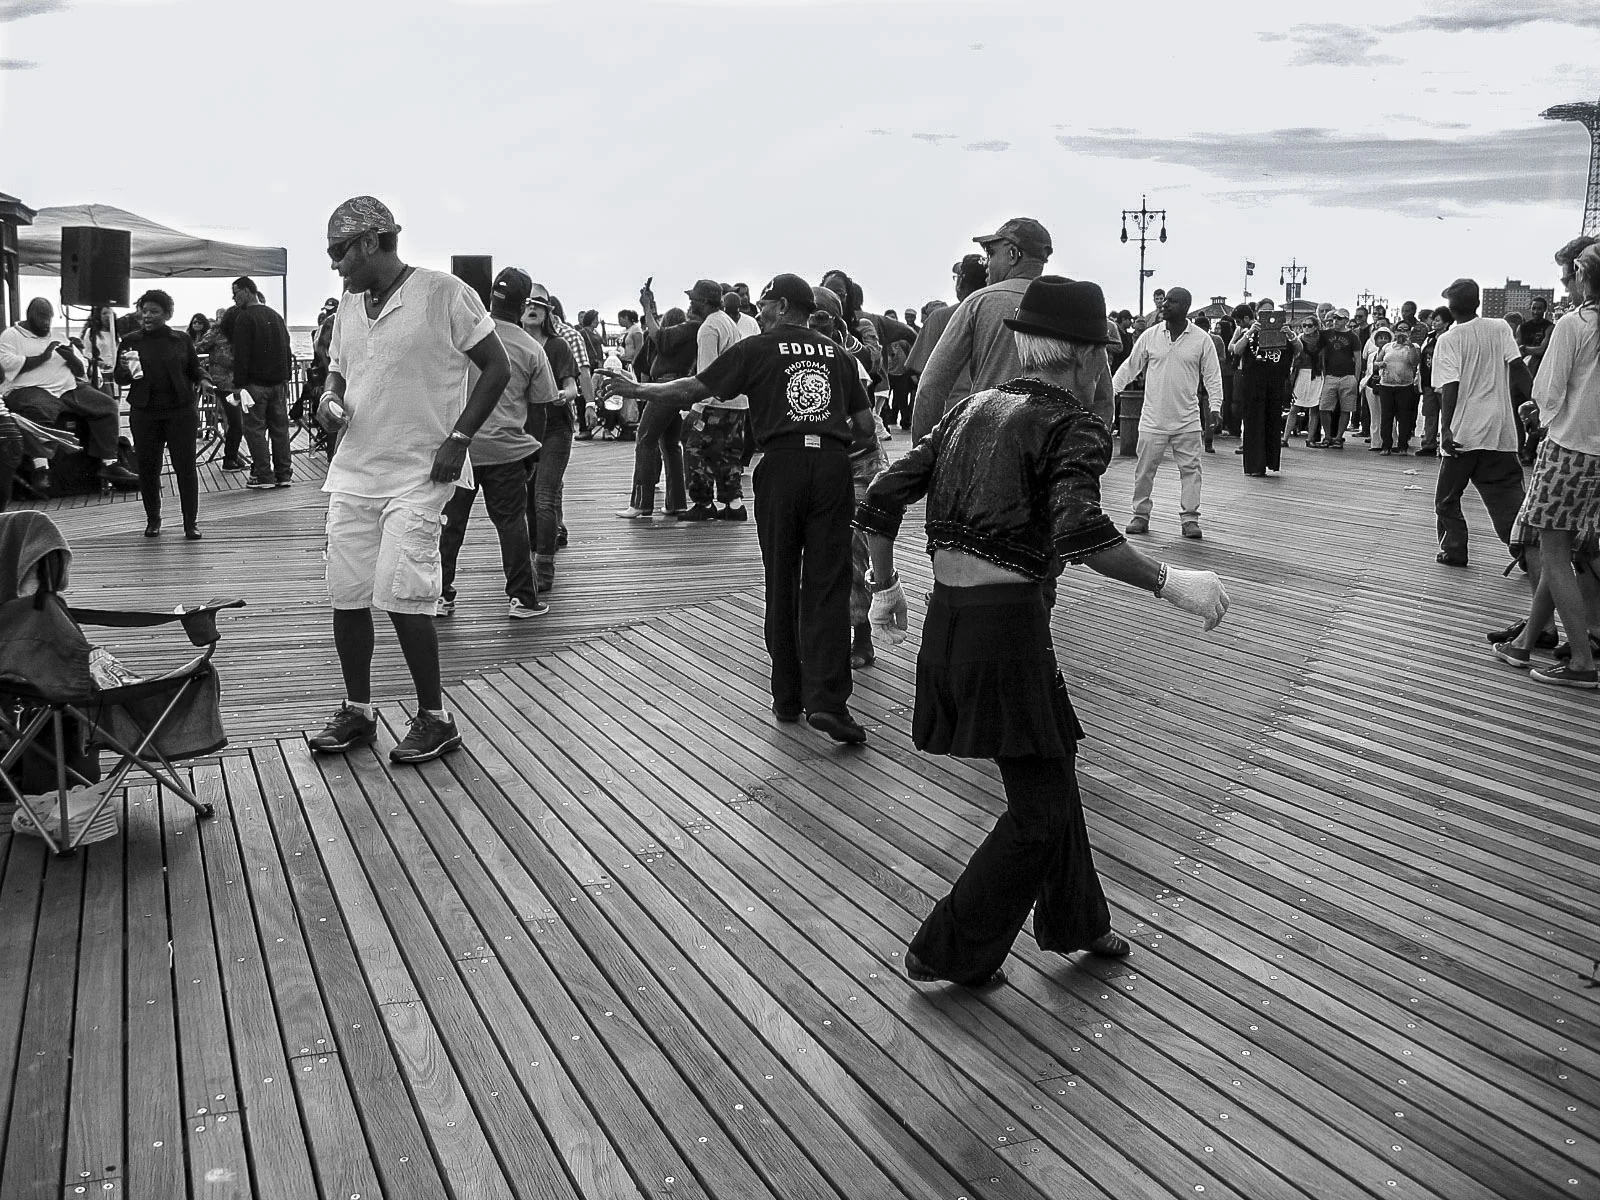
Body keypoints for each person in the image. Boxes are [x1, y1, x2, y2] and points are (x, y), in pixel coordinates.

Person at [854, 275, 1229, 989]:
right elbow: (1080, 531)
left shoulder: (969, 408)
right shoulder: (1074, 425)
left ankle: (1079, 922)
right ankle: (946, 950)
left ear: (1026, 342)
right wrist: (1176, 583)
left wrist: (887, 586)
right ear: (1088, 357)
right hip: (1009, 636)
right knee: (1038, 813)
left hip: (954, 625)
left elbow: (880, 496)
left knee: (1053, 770)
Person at [599, 274, 877, 743]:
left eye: (764, 304)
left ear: (783, 305)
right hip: (831, 469)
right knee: (828, 585)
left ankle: (788, 696)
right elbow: (867, 429)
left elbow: (693, 388)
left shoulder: (758, 350)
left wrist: (636, 391)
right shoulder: (840, 356)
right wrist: (826, 442)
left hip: (781, 467)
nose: (758, 311)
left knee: (782, 579)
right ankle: (829, 702)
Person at [308, 195, 511, 765]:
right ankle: (358, 710)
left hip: (421, 469)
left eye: (339, 251)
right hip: (354, 469)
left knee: (407, 593)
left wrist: (461, 438)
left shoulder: (445, 293)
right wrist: (328, 398)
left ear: (371, 242)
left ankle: (435, 718)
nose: (334, 264)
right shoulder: (350, 304)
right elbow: (337, 371)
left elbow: (497, 367)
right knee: (346, 594)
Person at [1494, 243, 1600, 689]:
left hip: (1568, 449)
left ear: (1583, 274)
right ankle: (1525, 644)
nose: (1564, 284)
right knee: (1563, 549)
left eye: (1569, 275)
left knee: (1552, 553)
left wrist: (1536, 415)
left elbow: (1548, 389)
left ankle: (1581, 661)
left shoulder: (1577, 324)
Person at [437, 267, 551, 621]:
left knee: (449, 525)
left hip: (461, 448)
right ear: (523, 305)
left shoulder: (466, 336)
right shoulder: (531, 348)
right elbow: (539, 410)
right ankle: (522, 599)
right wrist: (534, 451)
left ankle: (440, 595)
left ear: (489, 297)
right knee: (511, 524)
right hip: (506, 450)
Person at [912, 219, 1056, 439]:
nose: (987, 263)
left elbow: (930, 388)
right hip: (1050, 445)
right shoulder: (1067, 305)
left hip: (987, 440)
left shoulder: (979, 302)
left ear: (1013, 255)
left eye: (991, 253)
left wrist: (924, 456)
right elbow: (1102, 394)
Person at [1432, 277, 1534, 567]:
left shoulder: (1448, 340)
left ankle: (1454, 549)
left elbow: (1449, 387)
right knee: (1507, 500)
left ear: (1450, 307)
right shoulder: (1500, 327)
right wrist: (1538, 404)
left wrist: (1445, 429)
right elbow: (1518, 368)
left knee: (1447, 498)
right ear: (1477, 303)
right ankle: (1527, 555)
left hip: (1464, 434)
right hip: (1501, 431)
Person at [1112, 287, 1223, 538]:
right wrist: (1112, 392)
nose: (1164, 305)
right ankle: (1140, 514)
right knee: (1144, 470)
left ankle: (1190, 518)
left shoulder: (1201, 339)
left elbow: (1212, 377)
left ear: (1184, 307)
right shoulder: (1150, 336)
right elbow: (1130, 367)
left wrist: (1215, 406)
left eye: (1171, 302)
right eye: (1164, 302)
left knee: (1191, 471)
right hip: (1153, 419)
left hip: (1188, 420)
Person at [0, 297, 138, 493]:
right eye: (41, 319)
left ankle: (109, 463)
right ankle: (41, 468)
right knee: (36, 410)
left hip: (68, 388)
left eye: (49, 319)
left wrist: (72, 357)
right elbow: (6, 365)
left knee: (106, 406)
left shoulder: (58, 336)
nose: (46, 323)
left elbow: (81, 368)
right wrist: (44, 356)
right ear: (30, 316)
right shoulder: (11, 336)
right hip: (28, 389)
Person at [114, 289, 204, 539]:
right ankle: (153, 520)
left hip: (180, 411)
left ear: (167, 314)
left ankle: (190, 523)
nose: (147, 315)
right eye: (144, 310)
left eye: (154, 311)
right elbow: (121, 378)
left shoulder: (181, 339)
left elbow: (194, 369)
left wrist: (206, 381)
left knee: (185, 467)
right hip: (145, 412)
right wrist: (122, 369)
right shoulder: (131, 340)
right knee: (148, 468)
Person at [615, 282, 703, 521]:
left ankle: (641, 503)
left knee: (644, 439)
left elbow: (661, 337)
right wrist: (650, 305)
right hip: (676, 390)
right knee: (670, 444)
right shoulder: (691, 331)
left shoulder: (689, 328)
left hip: (665, 388)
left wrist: (646, 307)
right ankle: (676, 502)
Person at [520, 285, 580, 590]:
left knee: (544, 494)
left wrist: (563, 394)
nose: (532, 309)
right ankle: (534, 554)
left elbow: (572, 386)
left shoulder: (557, 346)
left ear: (547, 313)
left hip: (555, 428)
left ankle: (544, 566)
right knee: (529, 498)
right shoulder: (511, 342)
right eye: (528, 304)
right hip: (523, 430)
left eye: (538, 306)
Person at [684, 278, 751, 521]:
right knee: (730, 454)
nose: (690, 303)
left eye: (693, 299)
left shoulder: (709, 328)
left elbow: (707, 374)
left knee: (697, 450)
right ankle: (734, 504)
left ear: (703, 302)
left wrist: (696, 408)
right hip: (738, 401)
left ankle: (703, 503)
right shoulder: (729, 322)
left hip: (715, 404)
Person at [230, 276, 294, 489]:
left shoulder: (245, 318)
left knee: (255, 430)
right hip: (279, 383)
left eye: (235, 293)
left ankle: (264, 476)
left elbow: (241, 355)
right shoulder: (275, 316)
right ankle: (284, 474)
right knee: (280, 429)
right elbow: (287, 349)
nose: (234, 298)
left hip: (254, 385)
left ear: (247, 291)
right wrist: (286, 377)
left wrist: (238, 385)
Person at [197, 307, 247, 469]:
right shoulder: (217, 332)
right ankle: (230, 458)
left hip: (238, 383)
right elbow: (199, 348)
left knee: (237, 422)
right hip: (224, 384)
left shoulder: (239, 332)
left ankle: (232, 455)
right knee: (235, 422)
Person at [1371, 324, 1421, 454]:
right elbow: (1376, 362)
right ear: (1395, 332)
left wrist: (1409, 345)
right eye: (1399, 330)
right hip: (1386, 386)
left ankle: (1402, 446)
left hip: (1405, 386)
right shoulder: (1387, 347)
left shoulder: (1414, 347)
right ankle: (1386, 446)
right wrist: (1380, 364)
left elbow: (1414, 362)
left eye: (1405, 330)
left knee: (1404, 417)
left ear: (1410, 332)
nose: (1402, 332)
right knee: (1386, 416)